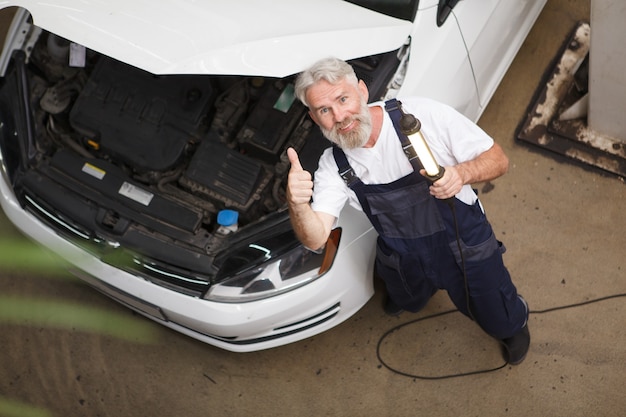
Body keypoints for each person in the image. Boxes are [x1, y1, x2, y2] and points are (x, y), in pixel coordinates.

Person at [285, 57, 530, 365]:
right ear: (314, 117)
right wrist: (297, 204)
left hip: (462, 239)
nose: (340, 116)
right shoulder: (333, 165)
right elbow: (315, 239)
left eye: (343, 99)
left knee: (495, 308)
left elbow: (498, 160)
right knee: (405, 294)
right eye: (325, 110)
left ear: (361, 90)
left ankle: (512, 327)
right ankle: (413, 296)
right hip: (404, 251)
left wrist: (461, 174)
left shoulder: (420, 116)